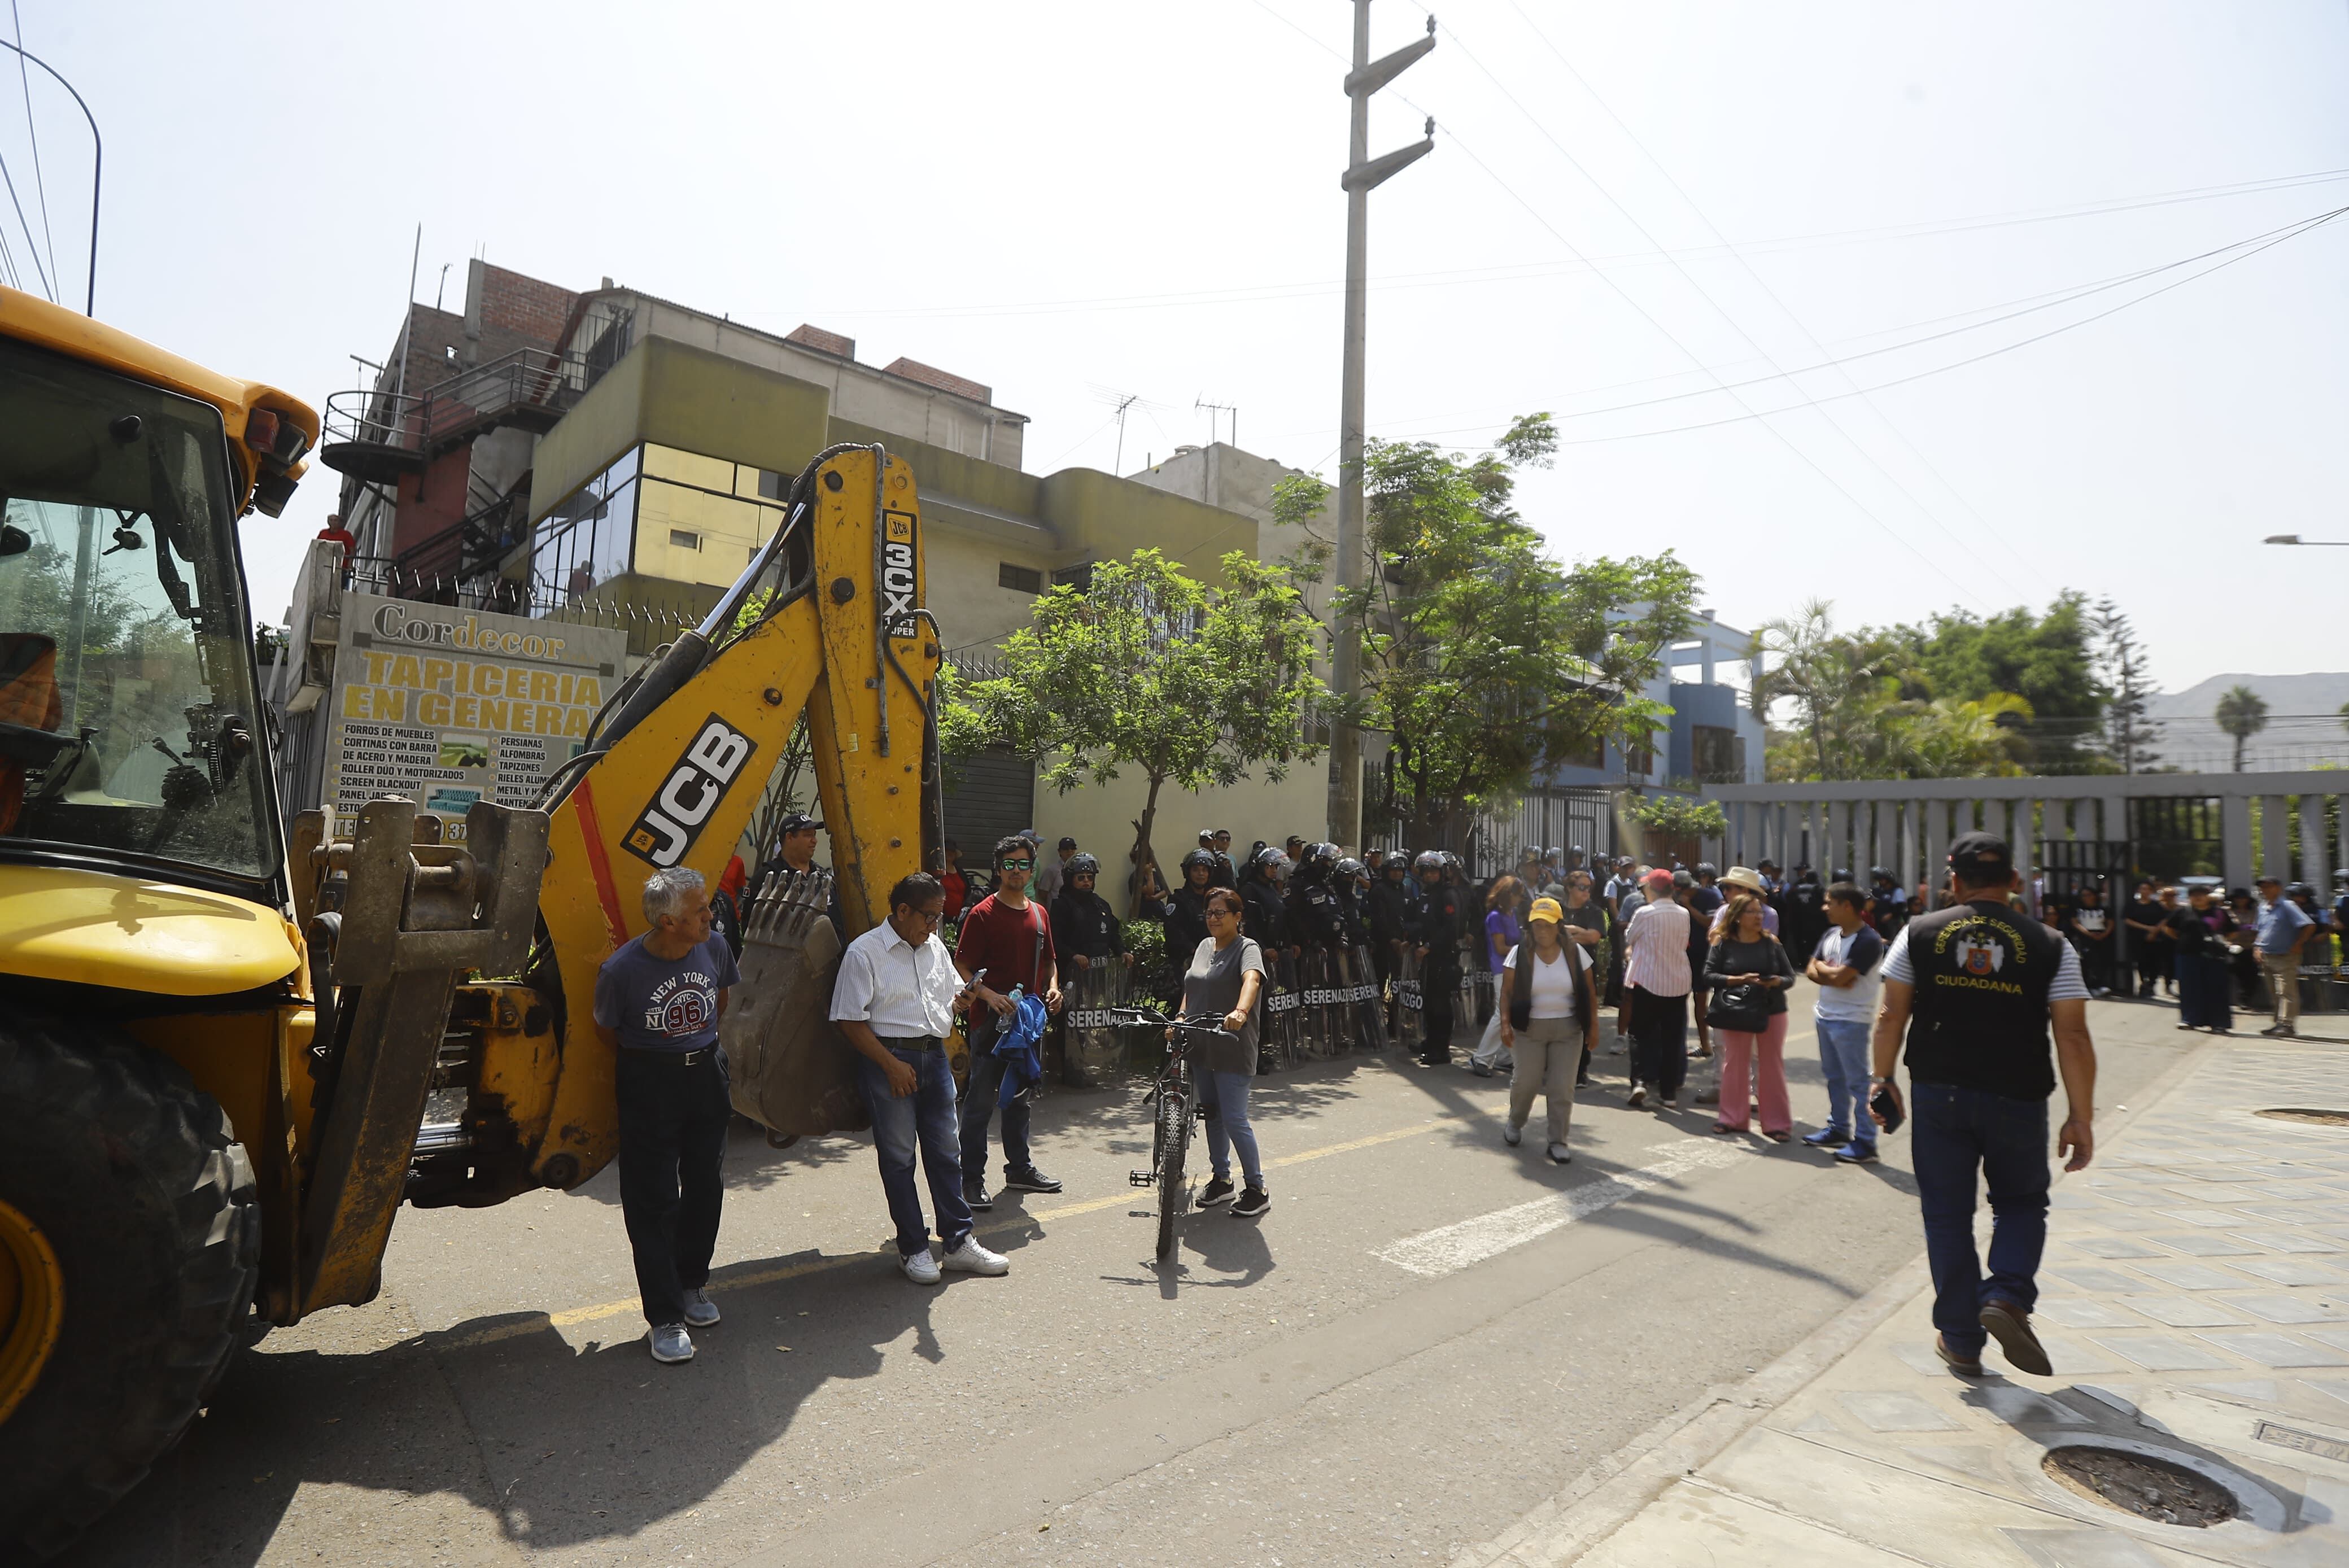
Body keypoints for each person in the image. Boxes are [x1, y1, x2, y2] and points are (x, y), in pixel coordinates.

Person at [1870, 832, 2097, 1379]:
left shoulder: (1917, 932)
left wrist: (1883, 1078)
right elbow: (2072, 1034)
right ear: (2013, 880)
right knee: (2020, 1203)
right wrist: (2080, 1115)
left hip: (1938, 1092)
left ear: (1953, 879)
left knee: (1946, 1214)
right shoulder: (2051, 944)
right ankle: (2007, 1295)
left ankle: (1960, 1337)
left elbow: (1890, 1014)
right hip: (2018, 1094)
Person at [592, 866, 742, 1365]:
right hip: (649, 1081)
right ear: (667, 921)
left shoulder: (714, 947)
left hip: (706, 1073)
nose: (710, 916)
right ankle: (665, 1316)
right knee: (653, 1197)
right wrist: (659, 1056)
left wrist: (695, 1049)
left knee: (705, 1184)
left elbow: (719, 1001)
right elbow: (607, 1030)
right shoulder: (621, 970)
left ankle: (691, 1282)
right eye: (700, 910)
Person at [833, 872, 1011, 1285]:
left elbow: (945, 1002)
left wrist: (962, 1001)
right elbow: (849, 1020)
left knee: (947, 1152)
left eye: (939, 917)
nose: (934, 926)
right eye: (929, 917)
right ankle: (912, 1247)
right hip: (890, 1061)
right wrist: (889, 1065)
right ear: (902, 911)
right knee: (899, 1158)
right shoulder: (864, 953)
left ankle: (959, 1242)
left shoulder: (934, 947)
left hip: (935, 1057)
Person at [954, 836, 1066, 1211]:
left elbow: (1050, 961)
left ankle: (1019, 1169)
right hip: (990, 1027)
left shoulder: (1040, 914)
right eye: (1009, 864)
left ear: (1032, 870)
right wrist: (987, 995)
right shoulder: (982, 914)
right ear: (998, 869)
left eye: (1023, 864)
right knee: (980, 1104)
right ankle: (971, 1180)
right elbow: (961, 965)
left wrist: (1053, 988)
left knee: (1020, 1100)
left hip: (1027, 1024)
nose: (1016, 870)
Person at [1176, 886, 1273, 1217]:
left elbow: (1252, 981)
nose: (1214, 919)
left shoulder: (1247, 948)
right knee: (1212, 1115)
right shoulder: (1205, 946)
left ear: (1237, 917)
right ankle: (1222, 1179)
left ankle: (1257, 1188)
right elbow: (1193, 986)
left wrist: (1241, 1012)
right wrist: (1180, 1018)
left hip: (1232, 1044)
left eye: (1221, 913)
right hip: (1201, 1043)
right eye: (1209, 913)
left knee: (1234, 1118)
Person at [1497, 897, 1596, 1163]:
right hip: (1529, 1030)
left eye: (1548, 925)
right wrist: (1505, 1024)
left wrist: (1593, 1027)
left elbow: (1590, 992)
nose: (1542, 931)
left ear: (1559, 927)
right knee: (1526, 1083)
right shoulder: (1520, 953)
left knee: (1562, 1087)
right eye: (1537, 925)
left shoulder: (1575, 953)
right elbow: (1506, 993)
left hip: (1568, 1030)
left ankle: (1558, 1140)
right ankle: (1516, 1121)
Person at [1704, 891, 1797, 1141]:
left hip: (1771, 1010)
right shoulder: (1723, 942)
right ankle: (1731, 1119)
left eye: (1760, 912)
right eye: (1752, 912)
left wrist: (1775, 981)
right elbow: (1709, 975)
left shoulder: (1772, 942)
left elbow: (1790, 977)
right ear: (1737, 917)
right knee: (1734, 1064)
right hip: (1736, 1011)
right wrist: (1738, 980)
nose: (1759, 916)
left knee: (1771, 1067)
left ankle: (1777, 1124)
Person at [1805, 881, 1885, 1164]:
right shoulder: (1831, 934)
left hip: (1852, 1021)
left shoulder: (1868, 940)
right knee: (1835, 1078)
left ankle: (1866, 1142)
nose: (1824, 907)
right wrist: (1831, 973)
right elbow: (1811, 969)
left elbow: (1841, 978)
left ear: (1847, 906)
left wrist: (1831, 974)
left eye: (1830, 902)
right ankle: (1839, 1128)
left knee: (1858, 1083)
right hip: (1825, 1015)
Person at [1619, 868, 1693, 1111]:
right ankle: (1668, 1093)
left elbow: (1630, 937)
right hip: (1678, 982)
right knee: (1672, 1038)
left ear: (1652, 889)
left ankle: (1639, 1081)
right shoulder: (1683, 913)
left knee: (1638, 1034)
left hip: (1648, 981)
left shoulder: (1645, 912)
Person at [1470, 875, 1529, 1076]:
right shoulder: (1495, 916)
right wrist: (1526, 951)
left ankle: (1504, 1058)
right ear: (1508, 894)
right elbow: (1501, 948)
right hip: (1502, 969)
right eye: (1518, 895)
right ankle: (1481, 1058)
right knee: (1501, 1014)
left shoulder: (1511, 914)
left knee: (1509, 1014)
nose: (1521, 899)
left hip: (1512, 969)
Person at [1557, 870, 1612, 1084]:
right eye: (1582, 887)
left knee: (1583, 1019)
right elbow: (1550, 935)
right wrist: (1578, 932)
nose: (1586, 892)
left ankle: (1580, 1070)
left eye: (1589, 887)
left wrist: (1569, 931)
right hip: (1557, 971)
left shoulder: (1594, 912)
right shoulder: (1558, 910)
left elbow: (1593, 937)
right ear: (1569, 888)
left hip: (1583, 972)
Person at [1412, 850, 1465, 1067]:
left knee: (1440, 1004)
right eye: (1426, 872)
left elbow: (1451, 928)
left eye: (1433, 872)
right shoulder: (1426, 894)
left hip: (1443, 957)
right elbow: (1422, 922)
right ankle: (1431, 1041)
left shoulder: (1448, 895)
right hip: (1428, 959)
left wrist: (1429, 947)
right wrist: (1412, 940)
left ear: (1442, 873)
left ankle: (1441, 1050)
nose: (1429, 876)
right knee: (1430, 1003)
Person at [2167, 885, 2237, 1034]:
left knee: (2216, 988)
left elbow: (2232, 932)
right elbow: (2169, 929)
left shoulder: (2219, 912)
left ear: (2209, 896)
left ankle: (2219, 1023)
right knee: (2189, 988)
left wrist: (2220, 942)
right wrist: (2183, 940)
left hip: (2215, 956)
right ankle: (2190, 1019)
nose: (2198, 898)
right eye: (2194, 895)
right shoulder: (2183, 911)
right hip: (2187, 954)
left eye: (2202, 894)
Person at [2254, 873, 2314, 1038]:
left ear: (2278, 888)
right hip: (2267, 955)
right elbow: (2261, 930)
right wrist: (2257, 947)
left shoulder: (2288, 906)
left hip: (2285, 956)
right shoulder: (2262, 907)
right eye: (2262, 887)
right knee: (2273, 992)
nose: (2264, 890)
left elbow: (2309, 925)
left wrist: (2299, 944)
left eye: (2268, 886)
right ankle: (2278, 1023)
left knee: (2286, 991)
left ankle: (2287, 1024)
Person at [2067, 884, 2114, 997]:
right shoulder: (2077, 910)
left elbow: (2111, 923)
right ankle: (2089, 986)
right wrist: (2088, 934)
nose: (2086, 898)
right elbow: (2075, 923)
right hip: (2085, 938)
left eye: (2089, 895)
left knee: (2101, 961)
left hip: (2102, 937)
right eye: (2084, 896)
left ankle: (2101, 985)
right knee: (2087, 962)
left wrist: (2104, 934)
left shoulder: (2104, 909)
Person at [2122, 881, 2167, 999]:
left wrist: (2154, 931)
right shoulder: (2132, 905)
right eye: (2143, 889)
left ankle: (2152, 983)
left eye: (2148, 889)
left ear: (2151, 891)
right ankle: (2144, 983)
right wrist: (2147, 928)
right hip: (2138, 938)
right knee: (2141, 962)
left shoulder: (2157, 905)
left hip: (2155, 938)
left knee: (2155, 962)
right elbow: (2127, 920)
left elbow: (2164, 919)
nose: (2145, 891)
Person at [1034, 835, 1079, 904]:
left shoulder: (1078, 870)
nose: (1070, 851)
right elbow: (1043, 893)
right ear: (1060, 851)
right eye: (1066, 849)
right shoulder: (1052, 870)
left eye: (1072, 848)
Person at [938, 839, 970, 922]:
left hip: (961, 918)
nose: (950, 854)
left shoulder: (961, 872)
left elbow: (968, 892)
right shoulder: (938, 873)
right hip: (944, 919)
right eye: (947, 851)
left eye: (952, 851)